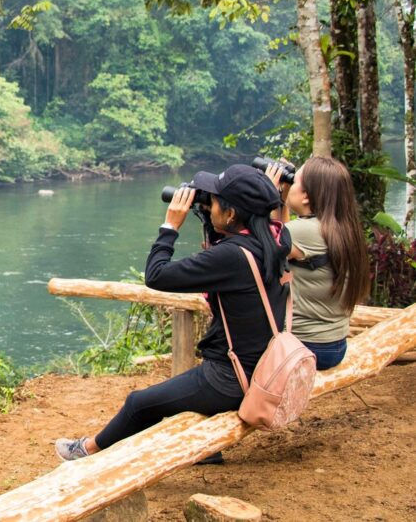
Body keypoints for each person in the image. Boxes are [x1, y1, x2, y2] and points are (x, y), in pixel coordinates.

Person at [55, 164, 292, 461]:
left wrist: (170, 226)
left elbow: (156, 275)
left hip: (231, 379)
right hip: (265, 368)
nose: (210, 205)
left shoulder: (231, 256)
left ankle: (87, 450)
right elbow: (240, 238)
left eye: (215, 202)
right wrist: (220, 214)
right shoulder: (278, 238)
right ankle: (207, 451)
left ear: (231, 214)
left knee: (138, 403)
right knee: (181, 393)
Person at [265, 157, 370, 370]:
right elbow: (282, 238)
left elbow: (264, 241)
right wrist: (281, 197)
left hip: (306, 347)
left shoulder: (306, 231)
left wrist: (266, 191)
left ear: (306, 197)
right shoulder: (340, 227)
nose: (289, 186)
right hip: (334, 344)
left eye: (294, 182)